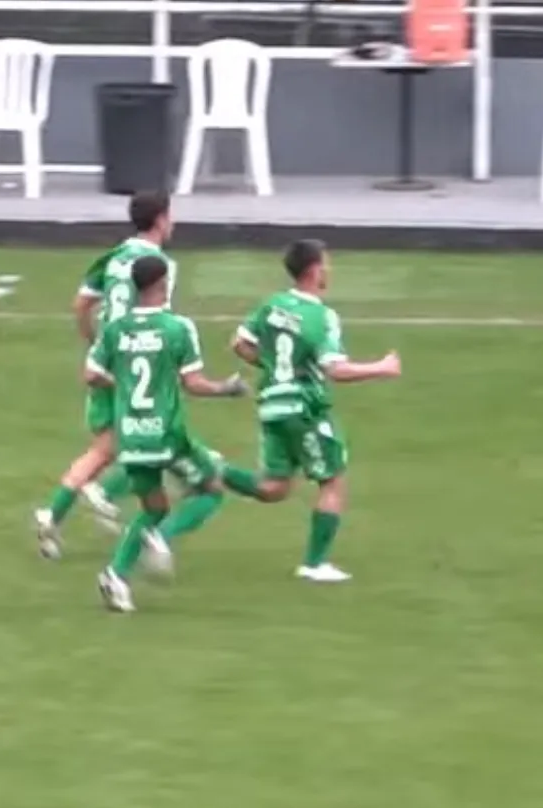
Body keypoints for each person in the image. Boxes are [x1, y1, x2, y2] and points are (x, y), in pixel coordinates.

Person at [218, 239, 402, 583]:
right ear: (315, 270)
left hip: (272, 403)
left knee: (274, 487)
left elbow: (239, 343)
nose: (329, 270)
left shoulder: (272, 304)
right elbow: (335, 369)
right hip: (305, 407)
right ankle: (315, 564)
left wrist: (274, 367)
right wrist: (382, 367)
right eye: (326, 264)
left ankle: (211, 468)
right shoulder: (322, 316)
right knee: (332, 481)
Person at [85, 255, 247, 612]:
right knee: (211, 488)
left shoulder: (115, 328)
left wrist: (123, 384)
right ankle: (160, 539)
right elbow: (194, 384)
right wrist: (227, 388)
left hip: (131, 436)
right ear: (162, 284)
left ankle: (115, 576)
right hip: (166, 436)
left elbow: (91, 375)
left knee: (154, 505)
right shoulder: (178, 327)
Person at [34, 192, 177, 558]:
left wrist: (96, 344)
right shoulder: (158, 264)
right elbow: (156, 317)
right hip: (136, 361)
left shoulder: (113, 257)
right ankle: (104, 501)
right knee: (152, 442)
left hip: (107, 358)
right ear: (161, 219)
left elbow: (81, 304)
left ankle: (53, 515)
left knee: (106, 447)